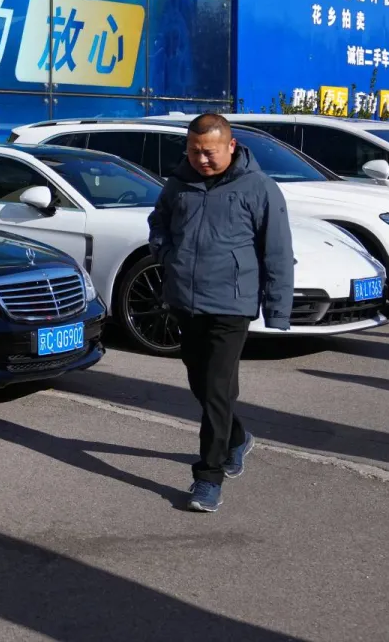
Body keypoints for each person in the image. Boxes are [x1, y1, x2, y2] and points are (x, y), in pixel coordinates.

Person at [147, 113, 293, 513]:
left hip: (231, 303)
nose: (201, 160)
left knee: (214, 387)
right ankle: (237, 437)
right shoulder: (179, 183)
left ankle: (207, 478)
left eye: (208, 152)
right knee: (204, 383)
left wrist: (278, 309)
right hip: (184, 299)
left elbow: (277, 251)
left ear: (230, 146)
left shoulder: (259, 188)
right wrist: (165, 252)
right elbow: (158, 223)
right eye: (194, 151)